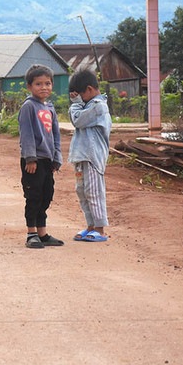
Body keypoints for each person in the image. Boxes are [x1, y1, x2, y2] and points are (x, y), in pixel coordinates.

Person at [18, 64, 63, 249]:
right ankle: (31, 234)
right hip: (33, 161)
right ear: (29, 86)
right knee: (34, 196)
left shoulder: (50, 107)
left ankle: (42, 234)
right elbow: (26, 134)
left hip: (47, 160)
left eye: (47, 83)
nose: (44, 87)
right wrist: (30, 158)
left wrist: (56, 158)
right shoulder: (29, 106)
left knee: (46, 195)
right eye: (38, 84)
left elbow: (56, 134)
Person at [67, 69, 112, 242]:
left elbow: (77, 120)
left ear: (90, 89)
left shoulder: (98, 106)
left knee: (93, 192)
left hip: (92, 158)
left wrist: (76, 103)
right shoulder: (87, 105)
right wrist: (79, 102)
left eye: (79, 94)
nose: (78, 98)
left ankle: (100, 229)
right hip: (81, 157)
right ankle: (90, 225)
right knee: (82, 192)